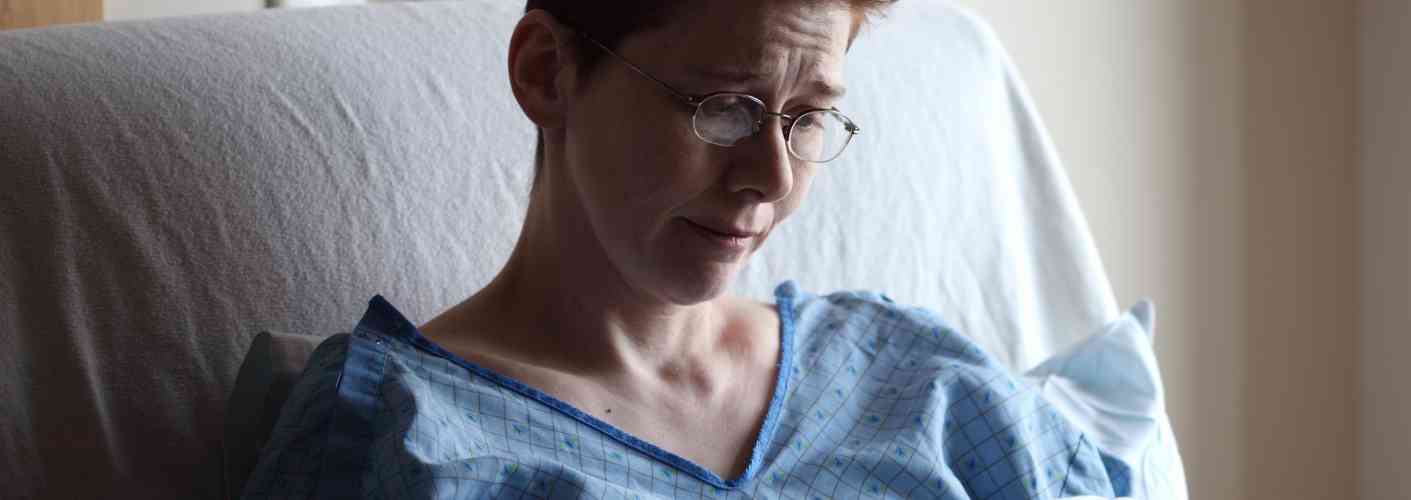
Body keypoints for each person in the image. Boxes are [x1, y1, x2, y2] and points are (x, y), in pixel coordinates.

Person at [241, 0, 1129, 498]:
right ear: (547, 72)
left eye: (807, 117)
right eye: (726, 108)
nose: (772, 177)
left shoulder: (918, 381)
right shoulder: (398, 433)